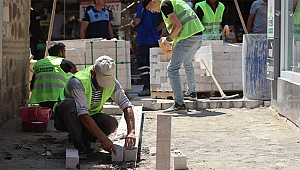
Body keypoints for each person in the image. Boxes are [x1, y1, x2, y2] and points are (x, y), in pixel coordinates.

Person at [53, 55, 136, 159]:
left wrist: (131, 132)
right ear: (93, 73)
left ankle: (86, 139)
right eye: (100, 82)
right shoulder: (78, 81)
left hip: (88, 116)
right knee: (69, 104)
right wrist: (103, 138)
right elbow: (82, 114)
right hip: (65, 118)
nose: (102, 86)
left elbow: (126, 105)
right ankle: (79, 144)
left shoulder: (114, 83)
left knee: (111, 123)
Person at [143, 0, 204, 113]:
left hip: (188, 38)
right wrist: (174, 41)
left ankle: (179, 103)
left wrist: (168, 40)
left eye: (149, 8)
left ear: (153, 1)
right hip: (198, 37)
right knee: (187, 62)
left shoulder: (165, 5)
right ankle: (191, 92)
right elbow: (181, 24)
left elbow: (178, 26)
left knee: (172, 69)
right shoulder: (174, 1)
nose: (150, 11)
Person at [30, 42, 78, 109]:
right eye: (64, 51)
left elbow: (32, 83)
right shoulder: (64, 62)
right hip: (58, 99)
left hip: (40, 100)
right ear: (60, 52)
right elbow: (79, 77)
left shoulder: (38, 63)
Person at [130, 2, 163, 96]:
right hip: (154, 39)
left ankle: (147, 87)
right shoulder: (157, 6)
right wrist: (156, 31)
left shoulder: (142, 5)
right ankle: (155, 87)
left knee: (142, 64)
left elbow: (138, 20)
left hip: (144, 39)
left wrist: (132, 24)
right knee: (152, 64)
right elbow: (165, 20)